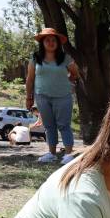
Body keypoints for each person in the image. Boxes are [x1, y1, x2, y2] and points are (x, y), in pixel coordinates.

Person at [26, 28, 79, 165]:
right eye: (47, 40)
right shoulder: (35, 58)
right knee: (49, 126)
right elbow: (30, 79)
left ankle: (68, 155)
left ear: (58, 43)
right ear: (42, 42)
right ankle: (51, 154)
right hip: (42, 96)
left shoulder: (65, 58)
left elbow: (75, 73)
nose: (50, 42)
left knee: (64, 125)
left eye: (53, 40)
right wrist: (29, 97)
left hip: (63, 96)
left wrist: (70, 82)